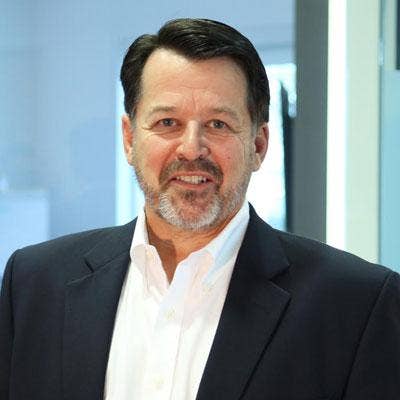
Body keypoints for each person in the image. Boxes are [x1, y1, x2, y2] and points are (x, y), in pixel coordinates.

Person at [0, 18, 399, 400]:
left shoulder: (356, 305)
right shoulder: (34, 285)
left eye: (218, 124)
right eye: (167, 122)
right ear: (129, 139)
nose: (191, 149)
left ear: (258, 145)